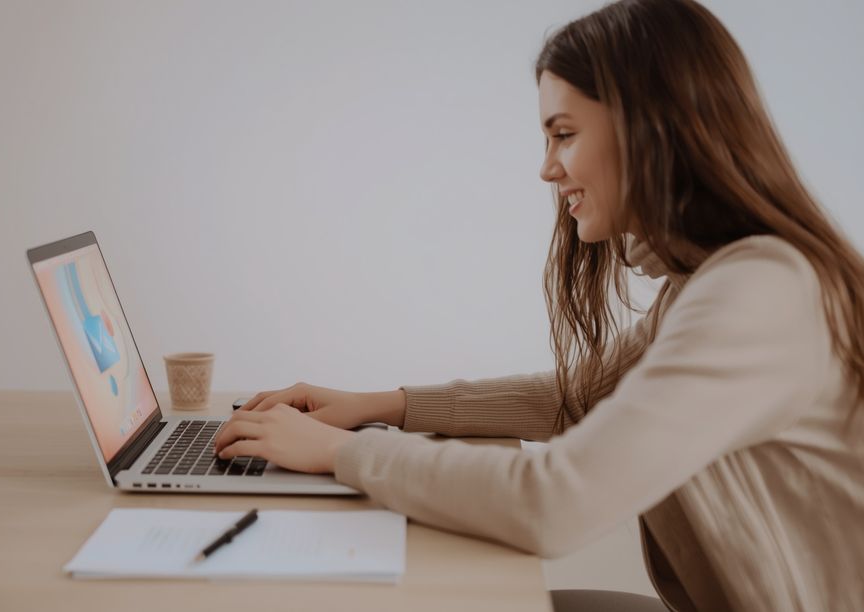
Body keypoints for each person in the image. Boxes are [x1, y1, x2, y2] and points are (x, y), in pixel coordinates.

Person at [213, 0, 864, 610]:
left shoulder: (761, 292)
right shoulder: (705, 282)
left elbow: (554, 503)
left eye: (564, 134)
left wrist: (336, 452)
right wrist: (379, 406)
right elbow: (577, 397)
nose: (548, 169)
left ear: (651, 130)